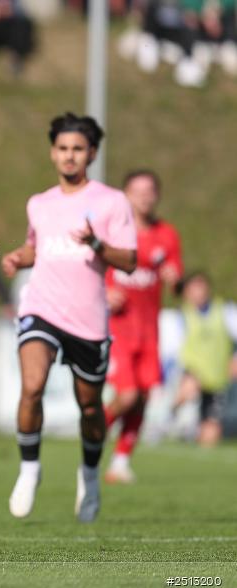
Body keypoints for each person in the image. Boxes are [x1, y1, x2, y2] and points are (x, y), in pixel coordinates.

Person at [1, 113, 137, 523]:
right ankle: (29, 469)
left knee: (91, 407)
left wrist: (97, 243)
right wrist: (16, 258)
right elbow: (35, 248)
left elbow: (129, 260)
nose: (69, 156)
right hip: (41, 308)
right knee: (32, 385)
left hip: (88, 320)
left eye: (78, 148)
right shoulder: (39, 203)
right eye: (63, 148)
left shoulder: (112, 201)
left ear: (91, 153)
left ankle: (91, 474)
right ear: (53, 153)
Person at [103, 170, 182, 484]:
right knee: (127, 396)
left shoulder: (167, 235)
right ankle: (92, 438)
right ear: (124, 195)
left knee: (145, 397)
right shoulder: (111, 233)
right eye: (137, 191)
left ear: (158, 195)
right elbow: (88, 272)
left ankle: (120, 462)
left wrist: (174, 280)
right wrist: (104, 293)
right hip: (118, 328)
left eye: (150, 191)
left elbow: (175, 279)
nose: (144, 197)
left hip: (150, 330)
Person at [172, 271, 237, 447]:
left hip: (216, 378)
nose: (198, 292)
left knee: (209, 439)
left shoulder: (224, 310)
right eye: (193, 288)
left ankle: (190, 428)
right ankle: (169, 418)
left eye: (201, 287)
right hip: (191, 374)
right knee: (188, 389)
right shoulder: (180, 314)